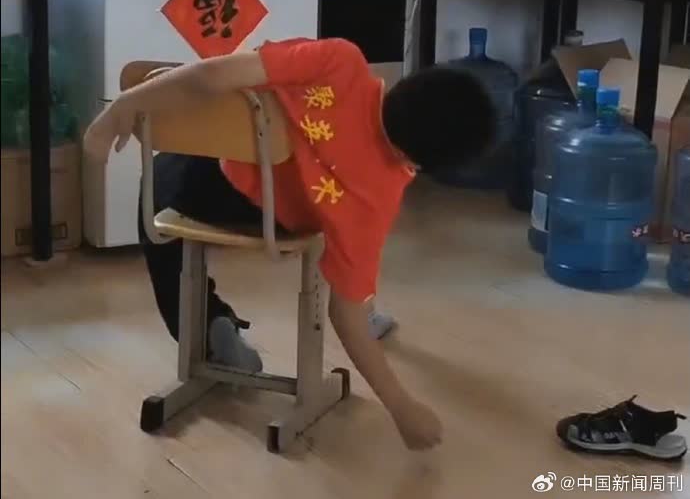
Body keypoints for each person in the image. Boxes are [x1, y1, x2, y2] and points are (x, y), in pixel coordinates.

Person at [84, 37, 496, 450]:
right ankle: (220, 326)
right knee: (340, 257)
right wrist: (402, 407)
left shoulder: (340, 62)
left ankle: (207, 327)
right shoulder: (377, 202)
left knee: (159, 186)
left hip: (201, 183)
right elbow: (346, 317)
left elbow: (212, 76)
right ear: (420, 162)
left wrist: (122, 107)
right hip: (273, 222)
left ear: (408, 84)